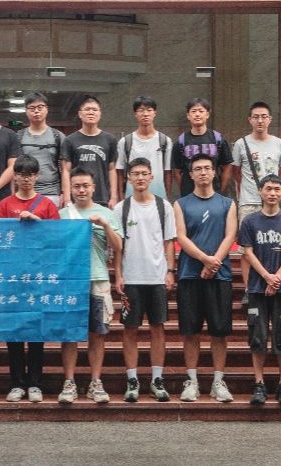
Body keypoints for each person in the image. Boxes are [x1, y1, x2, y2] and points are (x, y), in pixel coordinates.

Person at [0, 155, 61, 402]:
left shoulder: (47, 205)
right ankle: (16, 383)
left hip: (37, 277)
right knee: (13, 332)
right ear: (15, 176)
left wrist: (38, 222)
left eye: (30, 174)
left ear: (37, 176)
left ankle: (34, 383)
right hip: (11, 277)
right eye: (21, 174)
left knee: (35, 333)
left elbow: (57, 238)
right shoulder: (5, 205)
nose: (25, 179)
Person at [174, 154, 238, 403]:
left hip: (219, 276)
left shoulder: (227, 203)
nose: (203, 172)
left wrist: (214, 263)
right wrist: (204, 259)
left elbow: (230, 235)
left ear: (214, 172)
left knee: (219, 332)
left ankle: (218, 382)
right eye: (198, 169)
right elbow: (181, 237)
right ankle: (192, 381)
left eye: (207, 168)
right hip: (189, 274)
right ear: (191, 174)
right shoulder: (181, 204)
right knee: (190, 331)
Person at [113, 157, 176, 403]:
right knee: (130, 329)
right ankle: (132, 379)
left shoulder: (163, 206)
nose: (140, 178)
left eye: (144, 173)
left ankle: (157, 379)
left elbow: (169, 241)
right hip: (131, 278)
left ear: (152, 177)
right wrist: (118, 274)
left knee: (157, 328)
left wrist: (170, 271)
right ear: (128, 178)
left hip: (156, 277)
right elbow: (118, 246)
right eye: (135, 174)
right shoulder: (121, 208)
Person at [58, 169, 122, 404]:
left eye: (85, 185)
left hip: (98, 278)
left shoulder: (106, 214)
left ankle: (96, 382)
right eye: (77, 186)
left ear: (94, 187)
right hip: (70, 281)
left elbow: (118, 246)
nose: (81, 190)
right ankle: (69, 382)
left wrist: (105, 225)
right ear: (70, 189)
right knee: (69, 333)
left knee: (98, 333)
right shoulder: (63, 215)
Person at [240, 174, 281, 407]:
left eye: (277, 189)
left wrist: (277, 278)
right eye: (268, 188)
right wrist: (267, 276)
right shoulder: (250, 221)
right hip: (257, 288)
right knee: (257, 337)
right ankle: (259, 383)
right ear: (260, 191)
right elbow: (247, 252)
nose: (273, 193)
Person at [233, 101, 281, 303]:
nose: (260, 120)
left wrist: (272, 190)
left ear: (270, 119)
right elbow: (236, 172)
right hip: (249, 201)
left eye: (264, 116)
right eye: (256, 117)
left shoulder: (279, 143)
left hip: (273, 203)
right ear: (249, 119)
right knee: (246, 248)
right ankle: (249, 289)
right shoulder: (241, 144)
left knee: (274, 243)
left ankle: (273, 282)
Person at [171, 98, 234, 198]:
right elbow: (177, 171)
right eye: (193, 111)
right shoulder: (181, 141)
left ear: (207, 114)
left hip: (214, 194)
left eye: (201, 111)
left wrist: (220, 191)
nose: (197, 114)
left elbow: (227, 166)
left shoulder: (218, 139)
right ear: (188, 115)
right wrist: (185, 190)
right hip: (189, 195)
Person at [63, 95, 118, 209]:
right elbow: (66, 170)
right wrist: (67, 198)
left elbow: (112, 169)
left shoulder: (110, 139)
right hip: (77, 198)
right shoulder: (70, 140)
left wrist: (113, 196)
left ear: (100, 114)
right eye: (87, 109)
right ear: (80, 114)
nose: (91, 112)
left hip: (103, 197)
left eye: (95, 110)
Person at [114, 95, 172, 200]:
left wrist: (167, 198)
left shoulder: (164, 141)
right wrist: (121, 198)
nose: (145, 114)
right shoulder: (125, 142)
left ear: (155, 113)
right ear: (135, 114)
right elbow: (119, 171)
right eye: (141, 110)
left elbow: (168, 172)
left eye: (149, 110)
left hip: (159, 198)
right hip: (131, 198)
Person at [17, 92, 67, 206]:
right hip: (25, 194)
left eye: (40, 107)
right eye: (32, 108)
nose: (36, 111)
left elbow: (65, 169)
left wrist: (64, 193)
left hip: (52, 193)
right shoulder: (19, 137)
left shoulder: (58, 136)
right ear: (26, 111)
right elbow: (13, 168)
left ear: (47, 109)